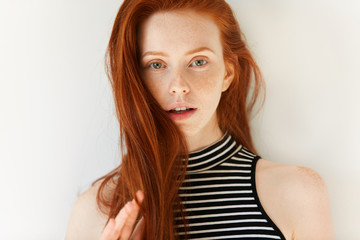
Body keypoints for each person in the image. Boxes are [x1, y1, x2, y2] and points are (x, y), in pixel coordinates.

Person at [65, 0, 334, 239]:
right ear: (136, 78)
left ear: (228, 72)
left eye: (198, 61)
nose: (178, 86)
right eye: (157, 64)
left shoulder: (297, 194)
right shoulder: (95, 213)